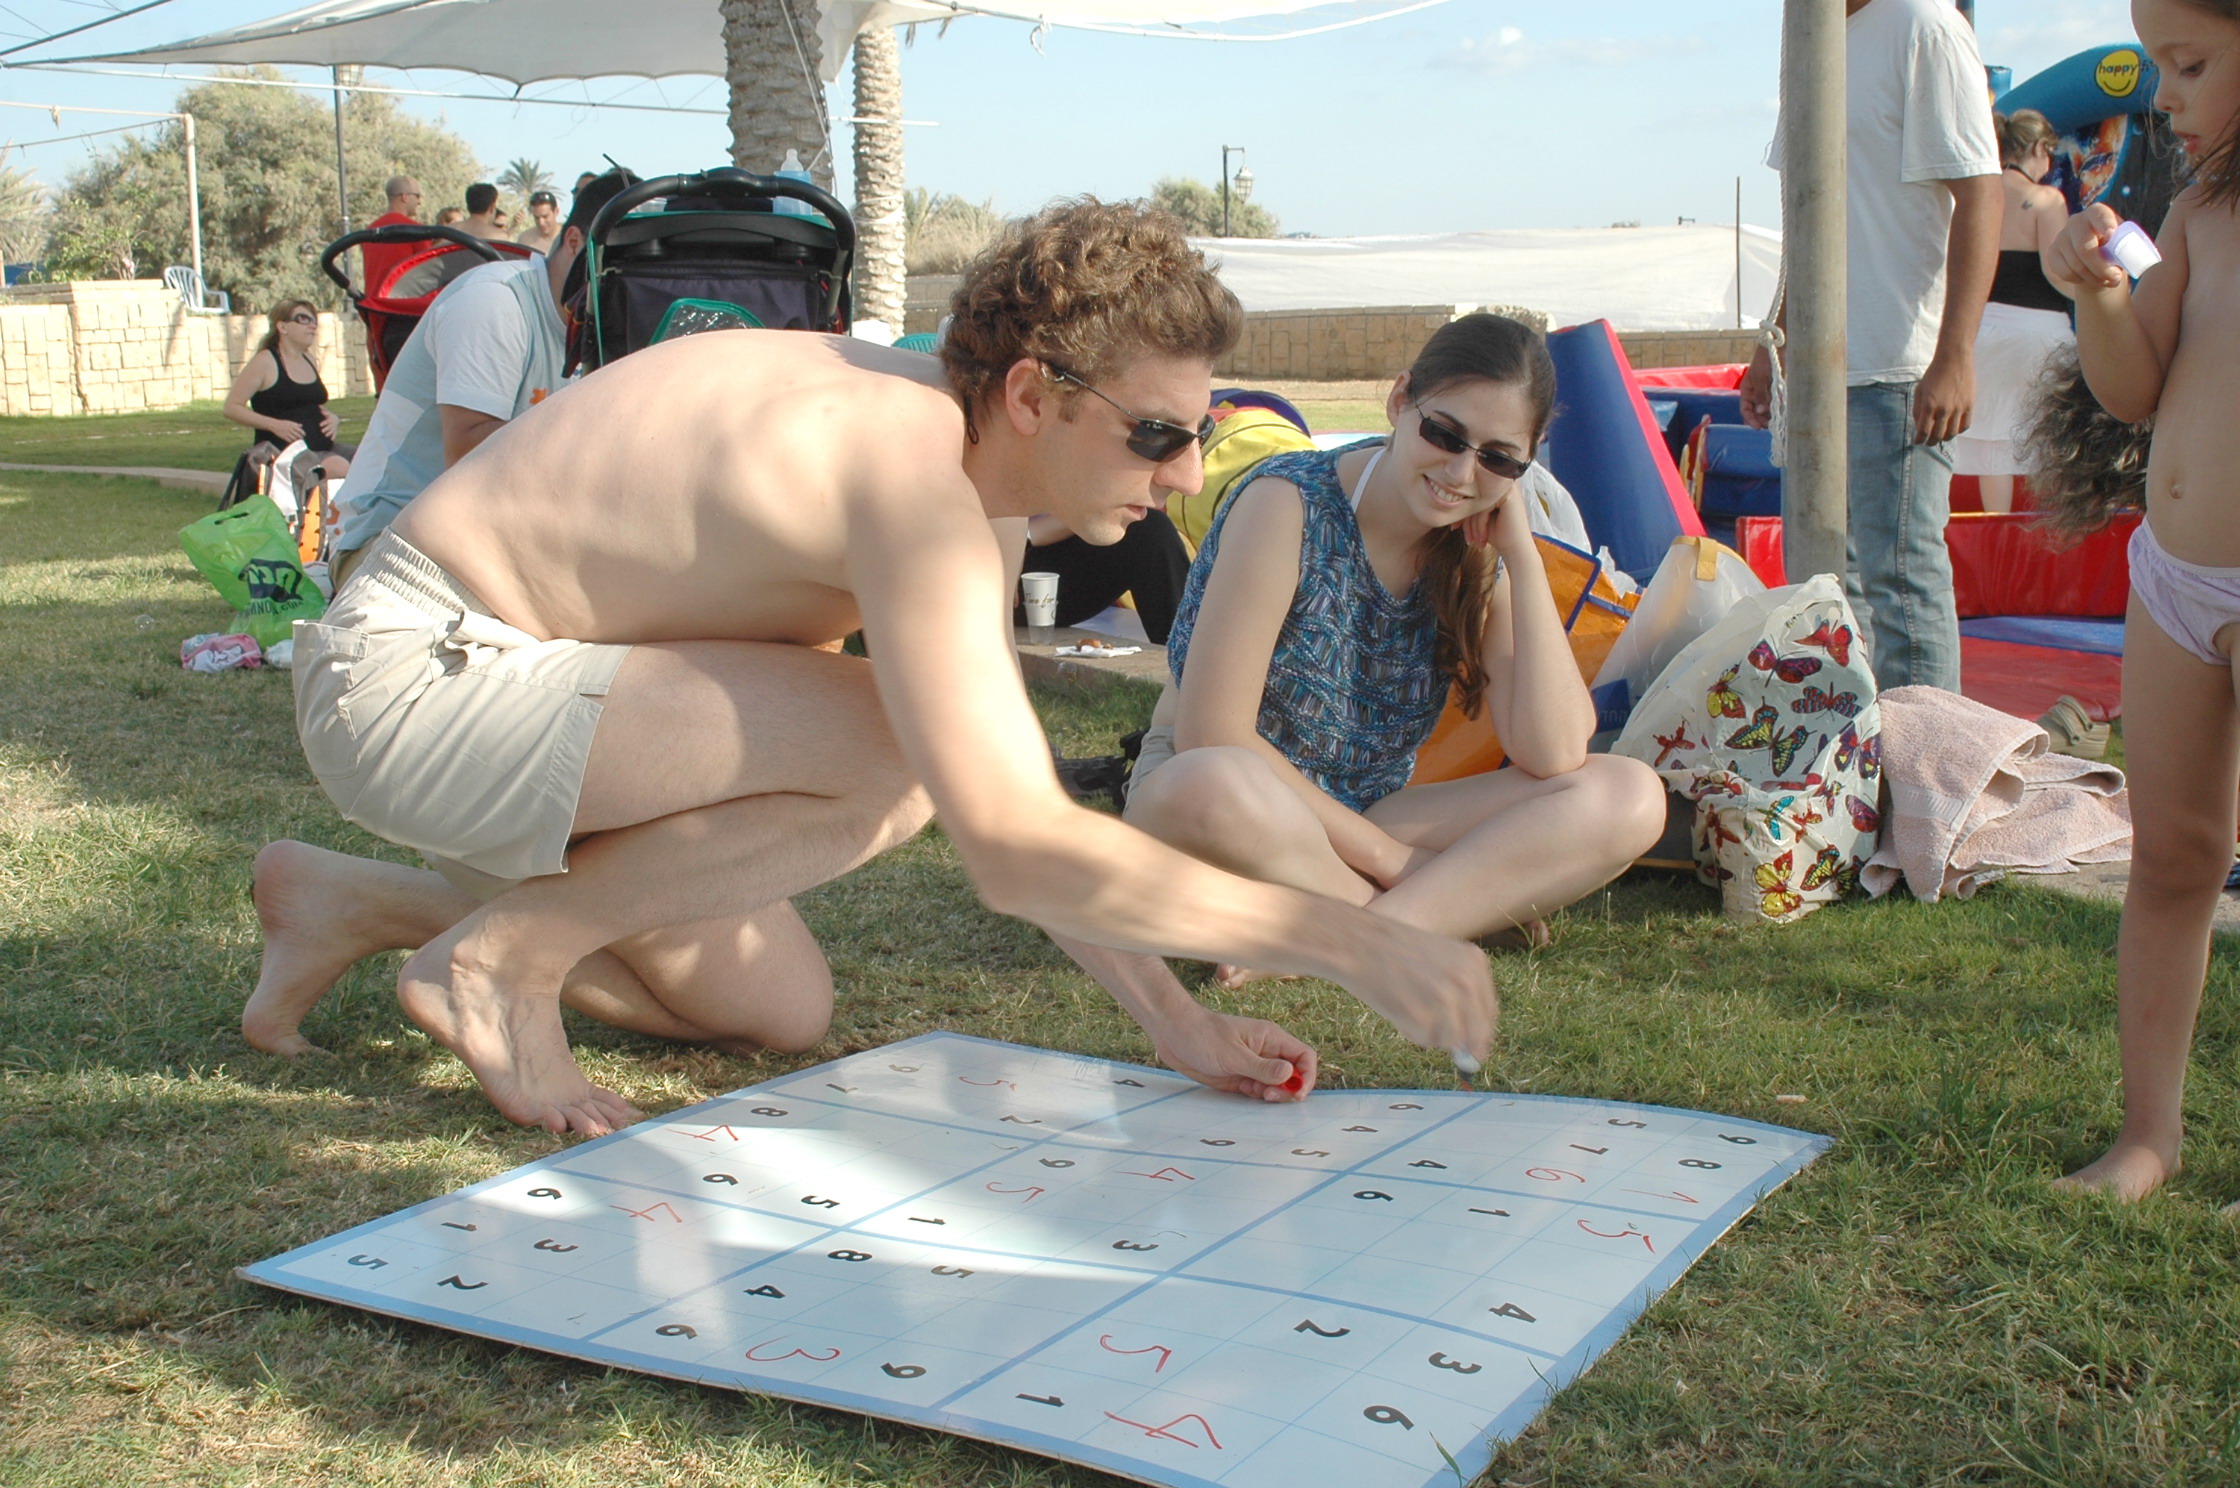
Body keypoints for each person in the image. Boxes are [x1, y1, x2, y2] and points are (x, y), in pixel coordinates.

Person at [247, 199, 1495, 1137]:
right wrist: (1348, 940)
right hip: (414, 677)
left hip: (537, 704)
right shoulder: (900, 467)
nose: (1178, 475)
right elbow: (1008, 835)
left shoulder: (969, 473)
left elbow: (1015, 795)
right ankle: (501, 963)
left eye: (1195, 434)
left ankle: (354, 905)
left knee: (777, 1009)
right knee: (901, 753)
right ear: (1031, 395)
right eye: (1155, 434)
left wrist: (1176, 1022)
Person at [1122, 314, 1667, 987]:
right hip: (1233, 807)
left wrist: (1524, 558)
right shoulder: (1287, 503)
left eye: (1498, 458)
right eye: (1445, 434)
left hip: (1366, 812)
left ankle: (1335, 939)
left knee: (1630, 794)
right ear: (1401, 399)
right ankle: (1433, 915)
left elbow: (1553, 752)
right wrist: (1390, 860)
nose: (1461, 472)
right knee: (1207, 786)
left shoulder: (1474, 553)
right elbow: (1213, 734)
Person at [2046, 0, 2240, 1205]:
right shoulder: (2193, 213)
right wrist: (2100, 297)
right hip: (2172, 580)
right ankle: (2145, 1136)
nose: (2160, 95)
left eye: (2188, 63)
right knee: (2169, 856)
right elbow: (2132, 393)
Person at [1741, 0, 2002, 692]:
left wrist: (1956, 354)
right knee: (1826, 591)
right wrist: (1773, 344)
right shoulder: (1809, 39)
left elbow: (1982, 193)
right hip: (1818, 375)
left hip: (1898, 368)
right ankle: (1847, 748)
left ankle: (1925, 752)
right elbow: (1809, 212)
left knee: (1903, 587)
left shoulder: (1923, 26)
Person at [324, 169, 634, 588]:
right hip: (389, 541)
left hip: (485, 543)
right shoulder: (495, 301)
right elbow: (469, 454)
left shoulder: (596, 330)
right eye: (619, 265)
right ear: (575, 242)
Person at [1952, 110, 2075, 514]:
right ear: (2038, 148)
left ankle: (1996, 528)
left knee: (1992, 438)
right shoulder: (2045, 199)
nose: (2049, 164)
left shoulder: (1976, 195)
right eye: (2049, 153)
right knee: (2052, 435)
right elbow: (2057, 272)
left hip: (1982, 331)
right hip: (2039, 333)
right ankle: (2050, 529)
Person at [221, 299, 353, 482]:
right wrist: (274, 425)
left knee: (371, 460)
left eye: (314, 320)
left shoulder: (309, 359)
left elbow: (306, 403)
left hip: (322, 447)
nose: (312, 325)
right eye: (303, 319)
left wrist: (333, 418)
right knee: (339, 467)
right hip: (284, 453)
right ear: (282, 327)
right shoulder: (265, 361)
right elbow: (231, 408)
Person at [358, 175, 423, 299]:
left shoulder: (370, 231)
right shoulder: (417, 231)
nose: (419, 202)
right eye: (417, 196)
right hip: (402, 304)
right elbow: (429, 271)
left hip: (373, 303)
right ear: (404, 197)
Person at [515, 189, 561, 255]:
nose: (541, 223)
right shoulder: (525, 240)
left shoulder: (567, 238)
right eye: (536, 218)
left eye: (545, 216)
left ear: (556, 212)